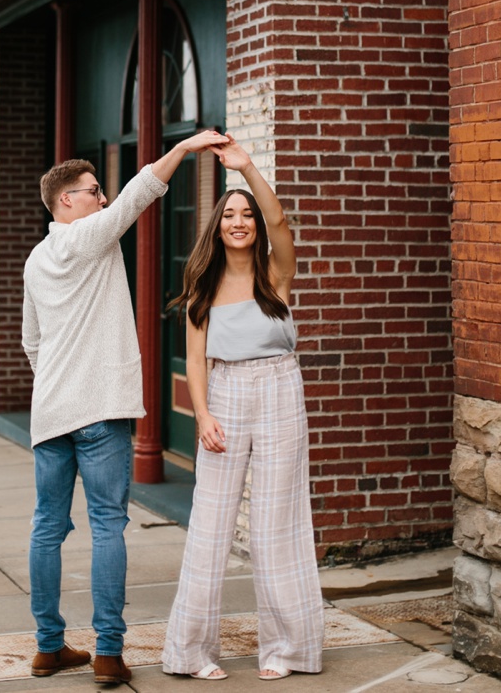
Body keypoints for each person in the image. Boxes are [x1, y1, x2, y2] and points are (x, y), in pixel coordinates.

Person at [23, 129, 228, 687]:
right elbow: (142, 190)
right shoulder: (86, 237)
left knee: (47, 528)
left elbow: (31, 342)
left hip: (50, 414)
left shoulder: (36, 259)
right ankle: (108, 654)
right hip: (100, 411)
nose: (103, 198)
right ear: (67, 199)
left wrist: (56, 385)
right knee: (108, 524)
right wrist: (185, 149)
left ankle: (48, 648)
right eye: (93, 191)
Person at [160, 136, 323, 680]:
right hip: (225, 396)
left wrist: (247, 169)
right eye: (228, 214)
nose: (239, 221)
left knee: (278, 525)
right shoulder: (202, 287)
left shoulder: (275, 276)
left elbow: (280, 222)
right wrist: (203, 415)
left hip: (279, 390)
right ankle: (190, 652)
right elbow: (196, 361)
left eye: (245, 214)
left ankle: (289, 650)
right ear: (217, 226)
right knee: (211, 525)